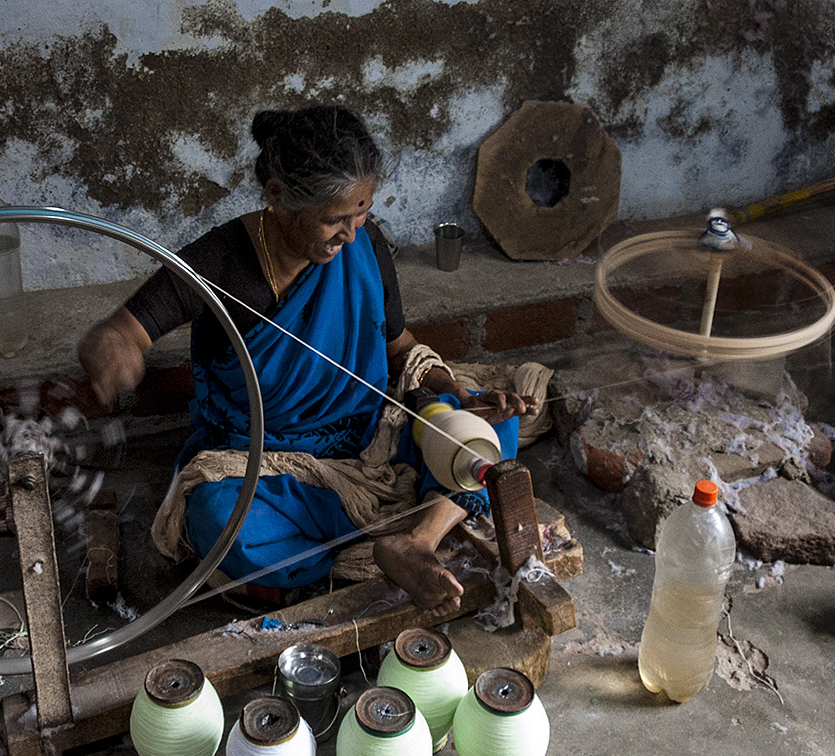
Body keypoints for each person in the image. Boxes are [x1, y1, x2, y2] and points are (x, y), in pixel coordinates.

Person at [80, 105, 538, 616]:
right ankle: (399, 532)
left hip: (370, 441)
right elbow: (123, 330)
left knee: (490, 430)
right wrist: (114, 347)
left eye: (362, 211)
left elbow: (400, 346)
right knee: (218, 518)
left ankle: (417, 543)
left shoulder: (364, 247)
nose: (351, 232)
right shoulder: (225, 261)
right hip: (269, 463)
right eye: (334, 218)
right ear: (279, 198)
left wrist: (454, 390)